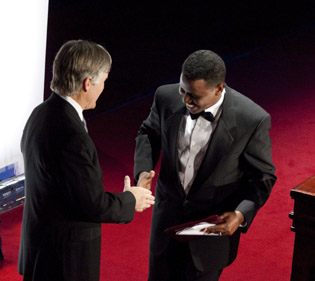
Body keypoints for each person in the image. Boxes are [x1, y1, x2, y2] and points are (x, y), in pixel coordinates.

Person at [18, 40, 155, 281]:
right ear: (87, 83)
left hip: (40, 251)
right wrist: (130, 199)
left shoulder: (41, 113)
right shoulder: (71, 135)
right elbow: (91, 204)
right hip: (64, 261)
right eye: (103, 81)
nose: (104, 88)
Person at [134, 50, 277, 281]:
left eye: (194, 96)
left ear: (219, 89)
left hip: (210, 232)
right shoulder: (165, 96)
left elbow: (263, 177)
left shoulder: (251, 119)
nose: (185, 100)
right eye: (183, 90)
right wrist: (143, 172)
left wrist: (241, 214)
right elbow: (148, 133)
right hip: (166, 220)